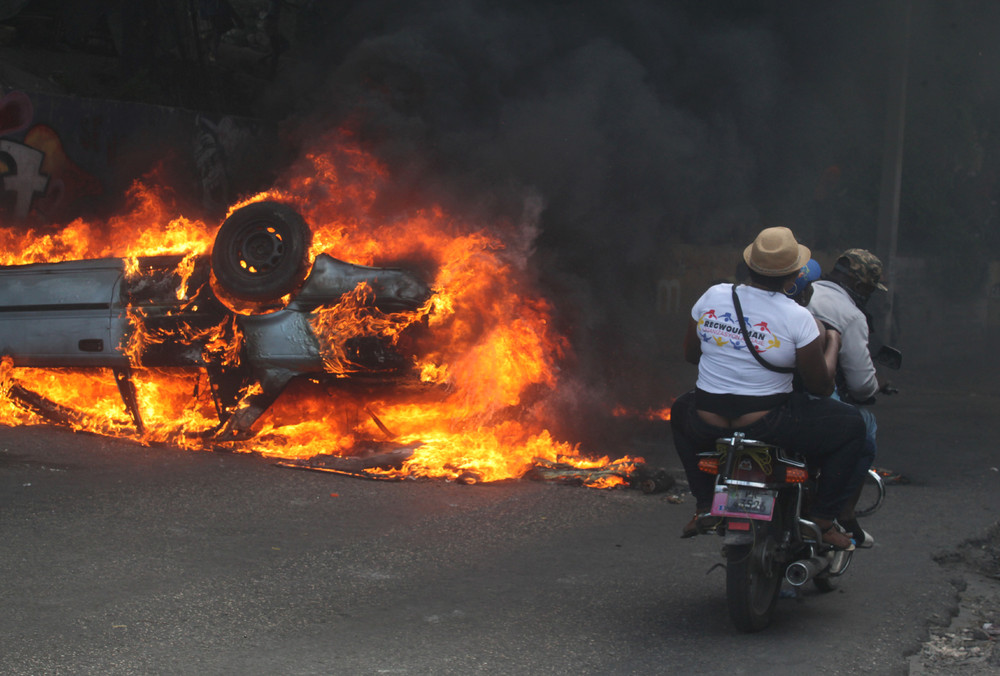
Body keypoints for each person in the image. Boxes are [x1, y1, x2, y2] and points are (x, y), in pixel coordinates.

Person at [670, 226, 872, 550]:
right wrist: (833, 342)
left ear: (748, 266)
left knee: (679, 409)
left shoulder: (713, 296)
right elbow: (820, 386)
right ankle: (822, 520)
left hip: (706, 420)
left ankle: (704, 503)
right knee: (853, 426)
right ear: (793, 278)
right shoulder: (798, 317)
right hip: (768, 424)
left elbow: (691, 354)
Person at [806, 248, 889, 548]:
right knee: (864, 430)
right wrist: (875, 387)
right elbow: (862, 384)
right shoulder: (850, 314)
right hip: (815, 401)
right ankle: (836, 513)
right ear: (861, 286)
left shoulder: (799, 292)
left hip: (769, 395)